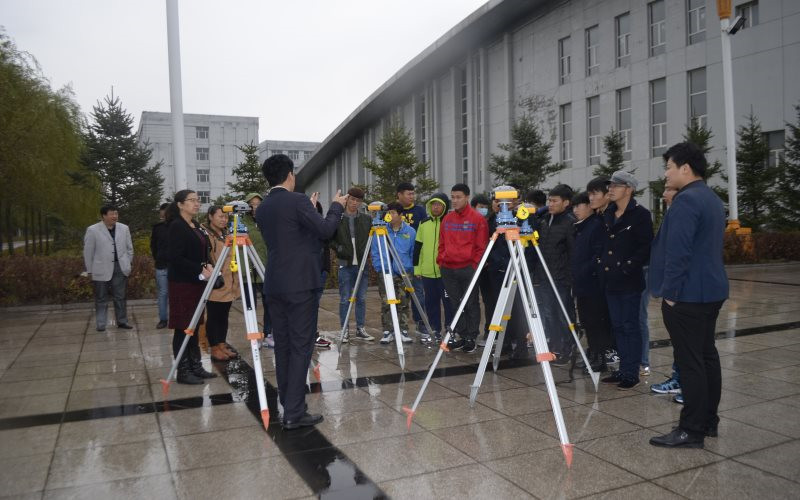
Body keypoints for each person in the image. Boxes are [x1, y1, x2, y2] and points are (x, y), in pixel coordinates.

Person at [255, 154, 346, 430]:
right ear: (290, 175)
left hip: (276, 284)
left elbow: (291, 236)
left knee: (283, 346)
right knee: (300, 346)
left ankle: (289, 404)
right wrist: (334, 207)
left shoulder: (263, 207)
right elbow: (326, 230)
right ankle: (294, 412)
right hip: (300, 285)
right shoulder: (296, 201)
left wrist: (310, 209)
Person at [649, 143, 729, 449]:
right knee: (707, 356)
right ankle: (708, 421)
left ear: (685, 168)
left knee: (690, 360)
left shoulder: (685, 200)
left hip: (687, 295)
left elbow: (678, 252)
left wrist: (670, 293)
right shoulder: (710, 198)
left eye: (669, 166)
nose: (666, 173)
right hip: (710, 290)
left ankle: (691, 429)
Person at [599, 171, 653, 390]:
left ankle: (632, 372)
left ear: (629, 189)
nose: (610, 189)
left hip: (629, 279)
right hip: (610, 279)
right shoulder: (608, 212)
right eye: (609, 186)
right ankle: (622, 369)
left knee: (631, 326)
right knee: (618, 326)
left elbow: (646, 247)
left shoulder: (640, 215)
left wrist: (628, 266)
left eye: (616, 186)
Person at [166, 190, 216, 384]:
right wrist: (200, 269)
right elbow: (175, 258)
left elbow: (202, 251)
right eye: (192, 200)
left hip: (196, 282)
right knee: (183, 327)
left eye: (198, 200)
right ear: (180, 204)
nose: (196, 203)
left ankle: (196, 365)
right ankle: (183, 370)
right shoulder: (176, 226)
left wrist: (208, 265)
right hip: (182, 283)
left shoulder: (194, 225)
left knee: (194, 326)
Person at [438, 183, 489, 353]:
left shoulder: (477, 219)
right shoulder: (447, 218)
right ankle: (462, 334)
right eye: (452, 197)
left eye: (458, 197)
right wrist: (442, 259)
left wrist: (474, 266)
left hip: (468, 268)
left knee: (471, 303)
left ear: (467, 197)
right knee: (455, 303)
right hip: (448, 268)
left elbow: (481, 247)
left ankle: (471, 337)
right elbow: (442, 242)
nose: (454, 200)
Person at [531, 184, 576, 365]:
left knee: (563, 313)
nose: (550, 204)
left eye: (554, 201)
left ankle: (568, 347)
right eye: (549, 200)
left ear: (566, 203)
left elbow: (573, 253)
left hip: (561, 278)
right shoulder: (544, 220)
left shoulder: (569, 222)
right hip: (543, 276)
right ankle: (555, 346)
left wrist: (570, 277)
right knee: (549, 314)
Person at [570, 191, 612, 372]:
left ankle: (600, 357)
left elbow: (597, 255)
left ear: (589, 206)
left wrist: (583, 271)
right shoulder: (581, 227)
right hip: (582, 283)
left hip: (593, 283)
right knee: (587, 321)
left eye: (578, 206)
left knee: (596, 322)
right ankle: (593, 353)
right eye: (574, 206)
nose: (575, 210)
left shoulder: (595, 225)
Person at [650, 187, 684, 399]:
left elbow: (679, 253)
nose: (663, 194)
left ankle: (686, 384)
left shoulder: (683, 210)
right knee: (679, 342)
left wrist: (671, 293)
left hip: (680, 293)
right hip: (672, 290)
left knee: (687, 344)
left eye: (669, 189)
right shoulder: (673, 211)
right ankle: (678, 378)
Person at [331, 187, 373, 342]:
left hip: (362, 265)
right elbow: (330, 237)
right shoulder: (338, 218)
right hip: (345, 263)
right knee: (345, 298)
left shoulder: (366, 219)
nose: (355, 203)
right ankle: (344, 330)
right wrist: (339, 248)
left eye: (358, 200)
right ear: (347, 199)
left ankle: (360, 328)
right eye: (352, 199)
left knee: (361, 298)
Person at [83, 204, 134, 332]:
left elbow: (129, 249)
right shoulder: (93, 230)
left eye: (116, 213)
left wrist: (127, 263)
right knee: (101, 297)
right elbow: (88, 252)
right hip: (100, 268)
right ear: (104, 216)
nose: (115, 216)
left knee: (120, 296)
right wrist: (89, 270)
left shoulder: (124, 228)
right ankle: (101, 323)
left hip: (120, 267)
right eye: (111, 214)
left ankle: (122, 321)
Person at [586, 176, 619, 368]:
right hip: (598, 277)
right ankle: (600, 351)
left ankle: (612, 352)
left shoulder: (613, 217)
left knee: (613, 319)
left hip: (612, 276)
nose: (591, 198)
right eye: (589, 194)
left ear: (608, 195)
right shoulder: (598, 217)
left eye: (595, 193)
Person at [373, 202, 415, 344]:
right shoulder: (381, 230)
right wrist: (380, 267)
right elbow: (375, 251)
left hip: (403, 272)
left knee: (403, 302)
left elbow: (413, 252)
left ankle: (403, 330)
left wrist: (409, 268)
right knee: (386, 302)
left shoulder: (410, 232)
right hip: (385, 272)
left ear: (401, 215)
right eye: (388, 212)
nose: (389, 215)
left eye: (393, 212)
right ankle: (387, 331)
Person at [413, 192, 453, 344]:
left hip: (445, 272)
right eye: (433, 204)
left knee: (448, 302)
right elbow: (418, 248)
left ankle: (450, 330)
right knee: (431, 303)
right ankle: (435, 330)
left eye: (439, 205)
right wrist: (417, 269)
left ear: (444, 206)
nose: (436, 207)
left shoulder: (449, 223)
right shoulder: (424, 223)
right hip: (427, 272)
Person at [202, 206, 240, 362]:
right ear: (210, 217)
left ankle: (222, 344)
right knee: (214, 316)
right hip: (216, 282)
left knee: (224, 316)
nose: (224, 220)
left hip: (229, 282)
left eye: (226, 217)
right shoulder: (206, 235)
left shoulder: (226, 234)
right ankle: (214, 347)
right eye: (220, 217)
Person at [396, 182, 427, 337]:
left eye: (412, 193)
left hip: (416, 260)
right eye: (408, 193)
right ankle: (401, 326)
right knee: (400, 297)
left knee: (418, 294)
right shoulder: (394, 211)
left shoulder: (420, 211)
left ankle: (421, 324)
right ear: (399, 195)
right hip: (399, 260)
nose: (411, 196)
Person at [244, 192, 274, 349]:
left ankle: (268, 334)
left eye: (258, 204)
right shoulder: (242, 222)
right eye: (252, 204)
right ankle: (253, 335)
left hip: (265, 268)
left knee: (269, 303)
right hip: (248, 269)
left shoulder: (268, 221)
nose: (255, 207)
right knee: (250, 306)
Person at [313, 201, 332, 348]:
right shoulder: (300, 227)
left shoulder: (322, 227)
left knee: (314, 305)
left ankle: (313, 335)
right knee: (305, 306)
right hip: (305, 274)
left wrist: (326, 268)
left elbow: (327, 244)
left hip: (320, 272)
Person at [150, 202, 170, 329]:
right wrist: (158, 258)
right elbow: (153, 246)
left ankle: (177, 318)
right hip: (162, 266)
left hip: (177, 266)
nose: (163, 216)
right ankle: (163, 319)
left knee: (176, 293)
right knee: (163, 293)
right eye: (162, 214)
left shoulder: (180, 226)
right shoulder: (158, 228)